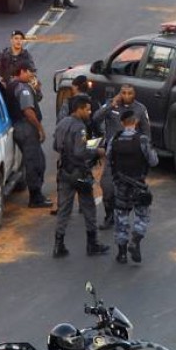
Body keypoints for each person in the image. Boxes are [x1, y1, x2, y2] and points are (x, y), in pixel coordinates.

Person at [52, 94, 110, 257]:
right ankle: (92, 244)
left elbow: (56, 146)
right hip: (80, 173)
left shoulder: (62, 123)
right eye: (88, 109)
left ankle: (58, 244)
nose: (90, 112)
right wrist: (97, 150)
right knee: (89, 207)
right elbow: (80, 151)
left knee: (64, 209)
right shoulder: (80, 127)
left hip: (64, 172)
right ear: (79, 109)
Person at [92, 84, 151, 231]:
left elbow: (146, 132)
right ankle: (109, 216)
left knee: (135, 191)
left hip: (132, 158)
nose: (126, 96)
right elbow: (96, 118)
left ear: (134, 94)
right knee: (107, 186)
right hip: (114, 156)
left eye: (130, 93)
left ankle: (136, 221)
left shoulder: (140, 109)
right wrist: (110, 105)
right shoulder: (112, 105)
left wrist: (145, 154)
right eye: (123, 93)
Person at [106, 109, 158, 263]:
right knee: (142, 216)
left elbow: (109, 160)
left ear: (122, 123)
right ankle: (135, 241)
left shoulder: (114, 140)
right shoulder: (142, 140)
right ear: (135, 122)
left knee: (121, 218)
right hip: (139, 185)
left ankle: (121, 254)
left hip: (120, 185)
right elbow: (154, 161)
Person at [8, 63, 52, 208]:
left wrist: (37, 89)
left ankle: (36, 194)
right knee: (35, 162)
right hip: (26, 128)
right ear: (21, 71)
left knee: (36, 160)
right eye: (29, 72)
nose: (31, 75)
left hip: (21, 127)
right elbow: (28, 111)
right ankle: (35, 197)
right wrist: (40, 129)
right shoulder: (22, 88)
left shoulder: (13, 85)